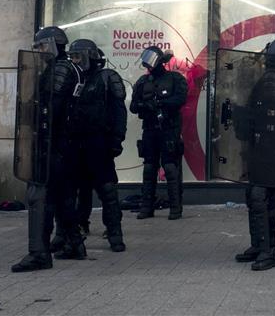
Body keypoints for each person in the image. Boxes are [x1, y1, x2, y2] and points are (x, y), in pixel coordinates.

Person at [11, 26, 83, 272]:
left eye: (42, 45)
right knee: (62, 197)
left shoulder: (60, 69)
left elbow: (49, 110)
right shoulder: (62, 68)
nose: (40, 50)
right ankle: (74, 243)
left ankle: (39, 253)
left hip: (55, 144)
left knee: (39, 196)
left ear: (53, 44)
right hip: (63, 145)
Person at [235, 39, 275, 271]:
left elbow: (272, 113)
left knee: (264, 197)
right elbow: (256, 107)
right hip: (260, 145)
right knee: (254, 194)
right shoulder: (269, 79)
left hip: (272, 148)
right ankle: (258, 244)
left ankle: (270, 250)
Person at [66, 39, 127, 252]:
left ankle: (114, 233)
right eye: (71, 56)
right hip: (75, 143)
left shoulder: (107, 78)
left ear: (89, 56)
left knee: (108, 191)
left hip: (99, 143)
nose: (73, 60)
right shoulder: (71, 78)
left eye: (77, 56)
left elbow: (119, 111)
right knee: (73, 192)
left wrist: (117, 139)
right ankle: (72, 234)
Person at [130, 46, 188, 220]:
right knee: (149, 168)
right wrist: (146, 105)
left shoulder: (175, 78)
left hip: (169, 129)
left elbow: (180, 98)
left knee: (170, 167)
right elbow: (134, 106)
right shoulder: (142, 82)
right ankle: (147, 207)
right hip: (150, 129)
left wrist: (161, 104)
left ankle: (175, 208)